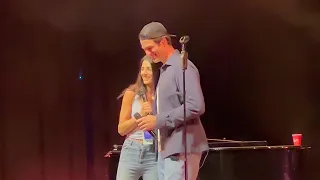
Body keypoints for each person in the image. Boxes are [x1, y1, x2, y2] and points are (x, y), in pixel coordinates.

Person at [136, 22, 209, 180]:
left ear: (163, 42)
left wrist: (158, 119)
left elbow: (196, 105)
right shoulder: (165, 70)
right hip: (167, 150)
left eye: (150, 48)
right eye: (144, 50)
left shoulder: (182, 67)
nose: (148, 54)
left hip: (181, 148)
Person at [116, 55, 159, 180]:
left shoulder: (161, 96)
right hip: (131, 151)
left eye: (148, 69)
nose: (144, 73)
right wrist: (139, 115)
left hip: (153, 152)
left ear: (156, 71)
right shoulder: (131, 94)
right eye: (142, 69)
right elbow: (121, 129)